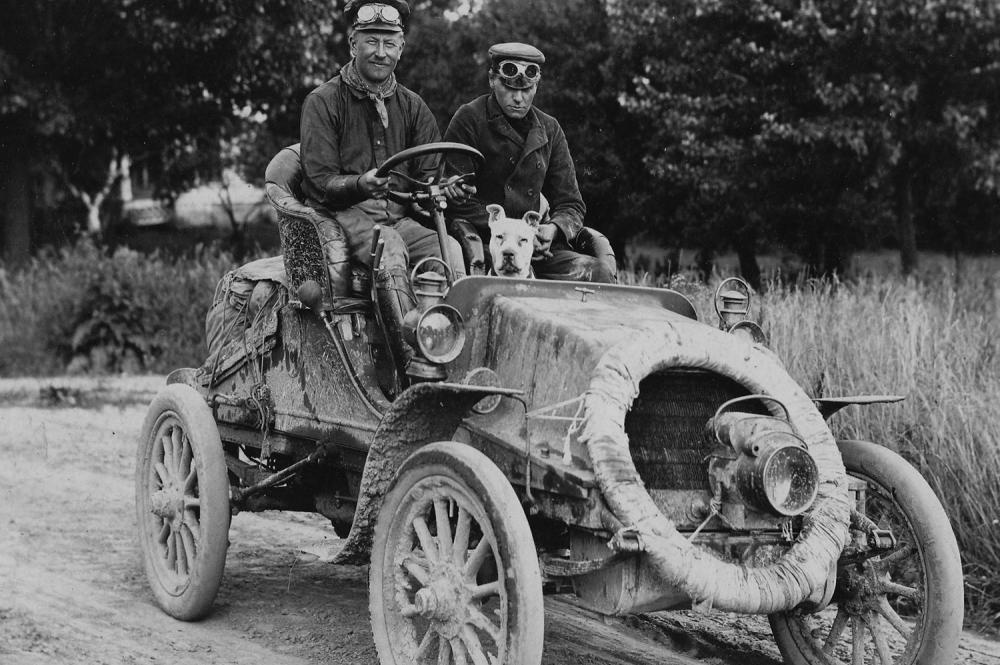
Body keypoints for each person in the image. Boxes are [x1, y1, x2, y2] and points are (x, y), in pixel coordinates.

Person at [298, 0, 468, 371]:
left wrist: (443, 189)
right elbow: (319, 183)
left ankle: (452, 355)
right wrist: (361, 185)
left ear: (401, 48)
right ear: (352, 44)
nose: (380, 53)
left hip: (399, 218)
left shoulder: (413, 107)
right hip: (346, 219)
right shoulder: (323, 102)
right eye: (371, 42)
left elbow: (426, 181)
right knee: (388, 245)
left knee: (451, 249)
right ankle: (410, 366)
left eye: (389, 43)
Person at [443, 42, 615, 283]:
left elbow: (571, 204)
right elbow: (456, 201)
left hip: (536, 247)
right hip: (486, 242)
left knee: (597, 273)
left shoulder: (550, 129)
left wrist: (553, 229)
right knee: (474, 285)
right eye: (509, 88)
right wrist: (511, 233)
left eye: (527, 90)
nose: (518, 98)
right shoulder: (469, 118)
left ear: (537, 85)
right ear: (492, 80)